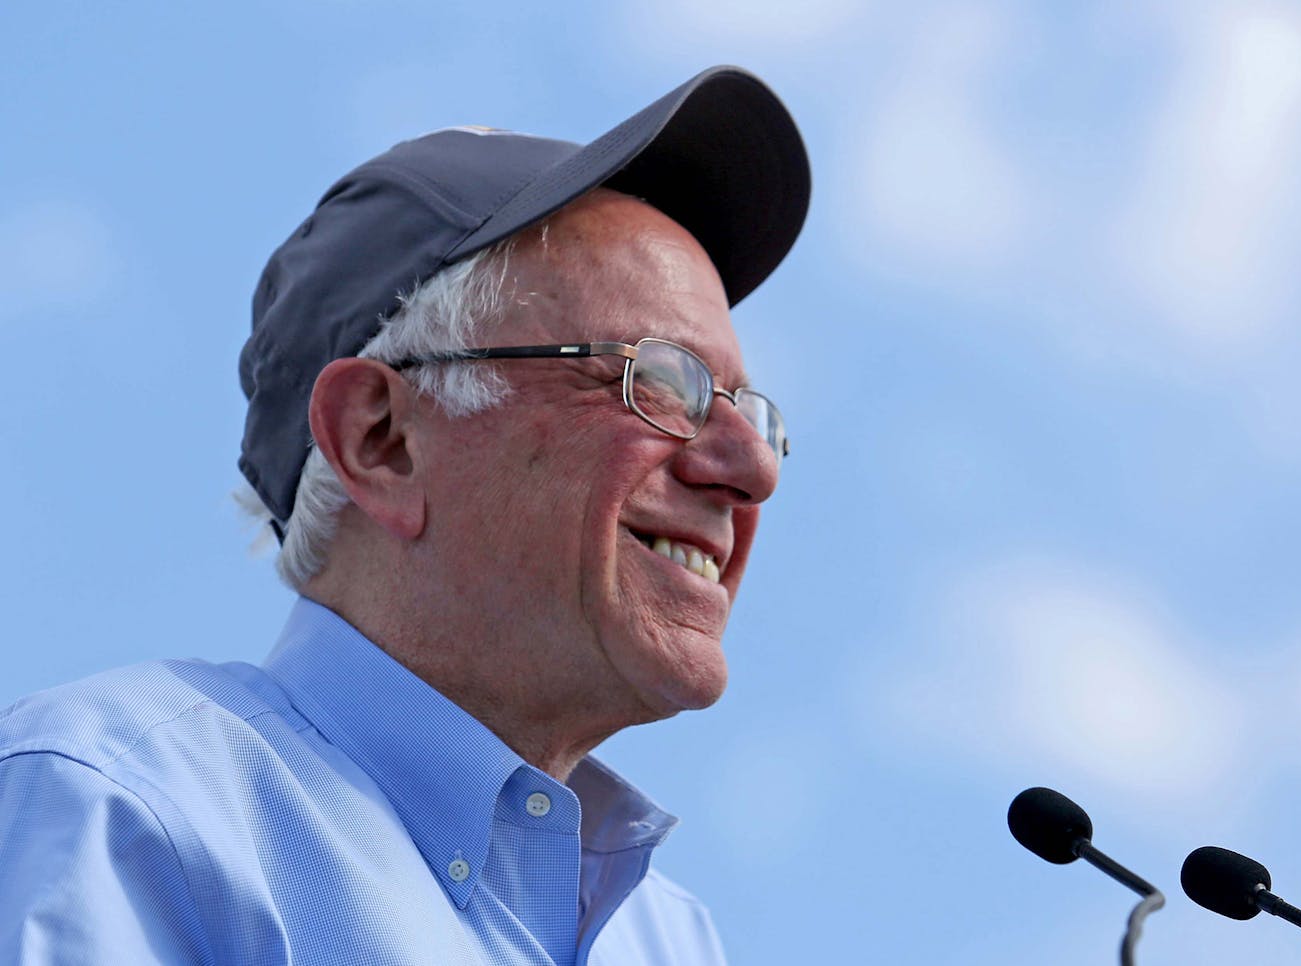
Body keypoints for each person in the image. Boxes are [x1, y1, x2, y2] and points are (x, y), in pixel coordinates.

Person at [0, 66, 809, 965]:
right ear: (382, 440)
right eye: (660, 381)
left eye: (749, 407)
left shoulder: (670, 938)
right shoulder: (119, 811)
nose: (753, 468)